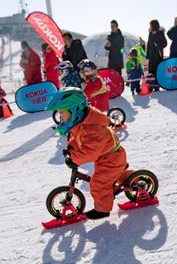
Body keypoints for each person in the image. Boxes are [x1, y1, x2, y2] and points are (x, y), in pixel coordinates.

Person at [45, 88, 134, 220]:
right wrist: (71, 149)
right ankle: (134, 180)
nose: (61, 118)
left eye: (62, 113)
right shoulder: (82, 123)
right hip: (108, 156)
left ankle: (102, 210)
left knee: (98, 184)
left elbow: (89, 152)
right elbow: (77, 139)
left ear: (75, 111)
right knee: (116, 176)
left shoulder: (92, 129)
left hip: (111, 159)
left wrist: (74, 158)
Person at [146, 20, 167, 91]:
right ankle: (151, 85)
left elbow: (165, 43)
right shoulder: (150, 33)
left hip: (158, 55)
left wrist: (158, 44)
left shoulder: (160, 33)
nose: (150, 27)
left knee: (157, 70)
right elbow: (148, 44)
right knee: (151, 71)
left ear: (154, 26)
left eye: (150, 25)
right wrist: (147, 55)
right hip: (151, 55)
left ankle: (157, 85)